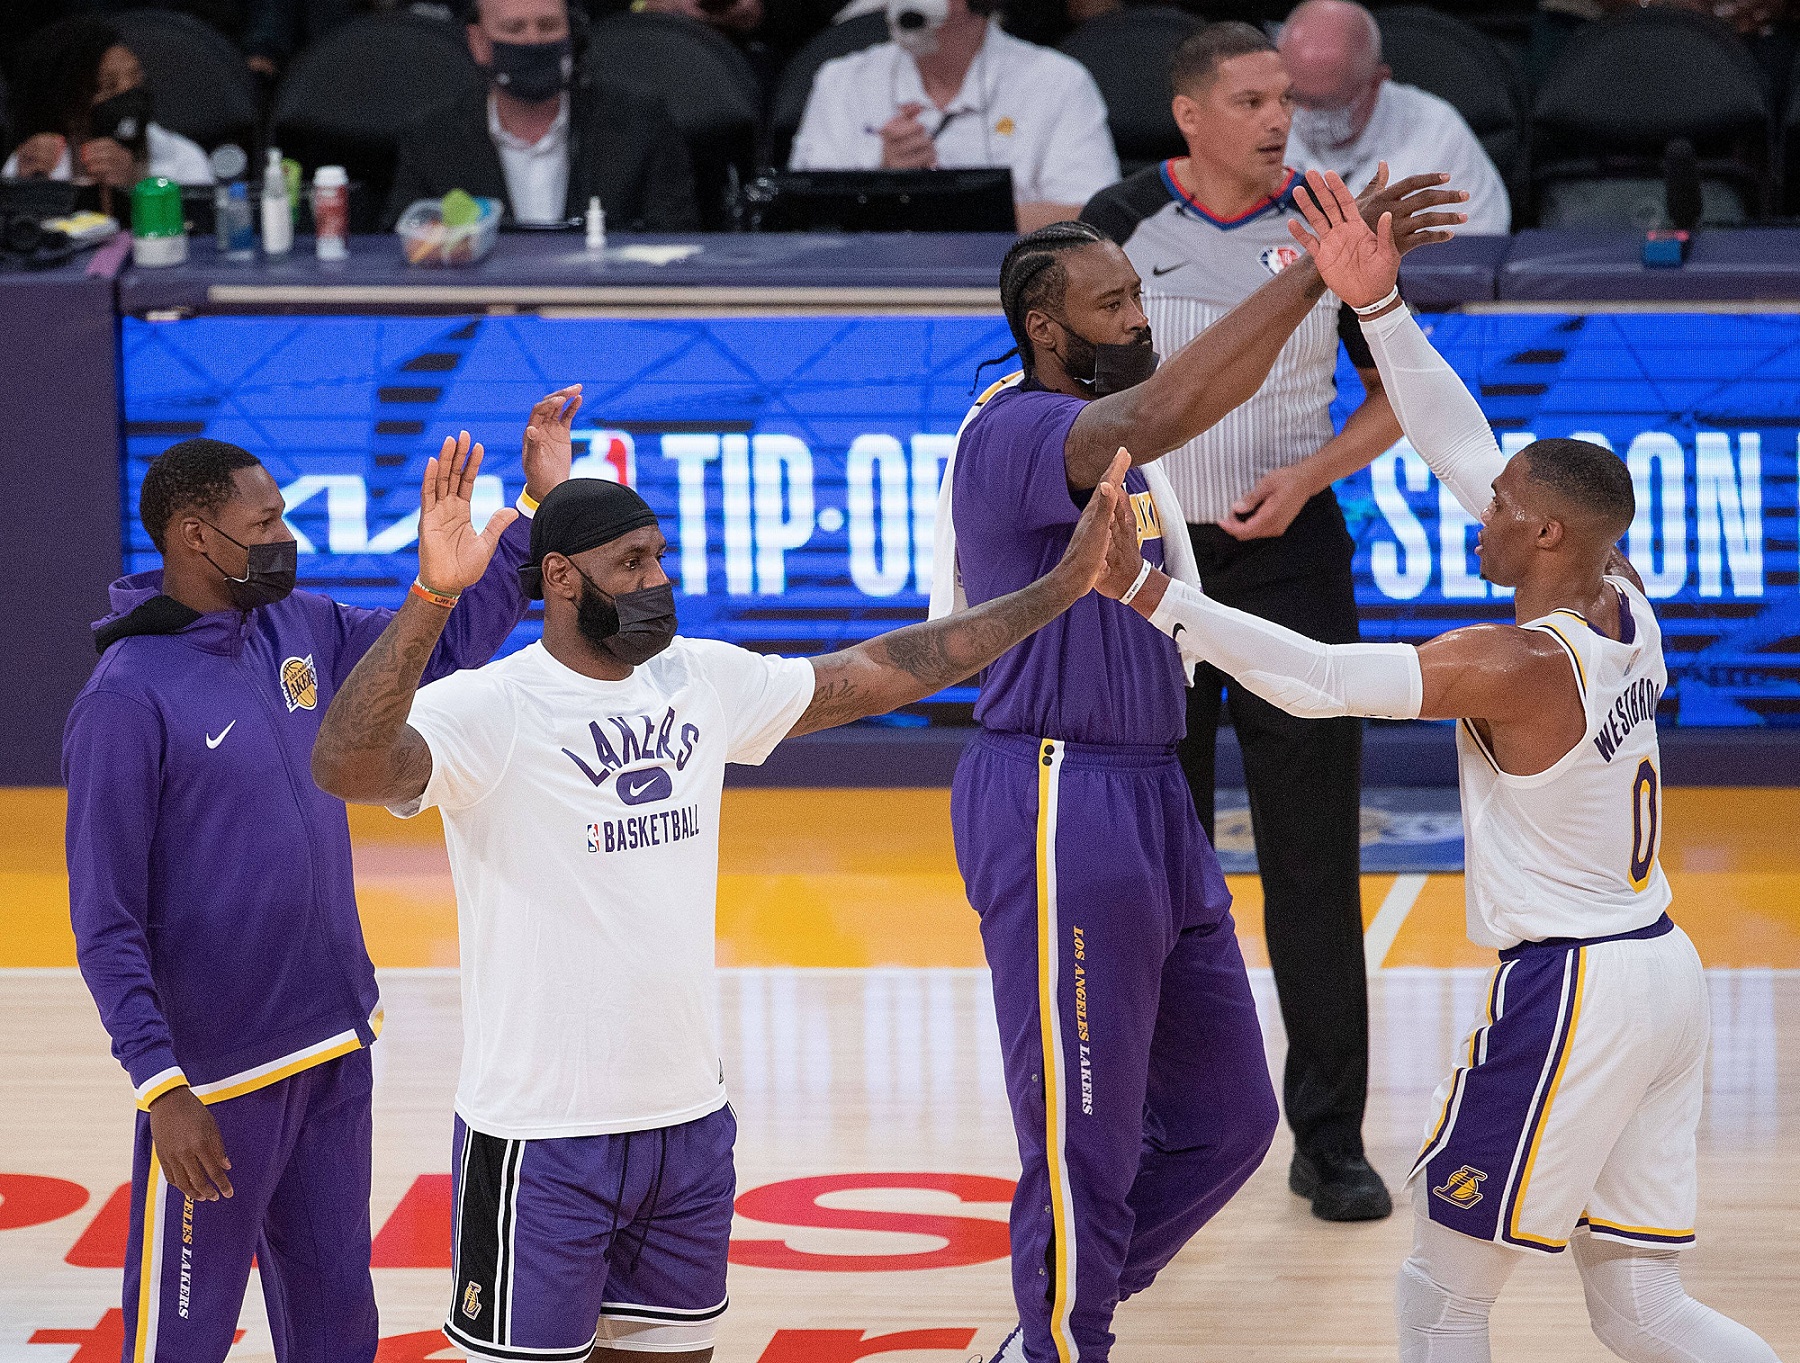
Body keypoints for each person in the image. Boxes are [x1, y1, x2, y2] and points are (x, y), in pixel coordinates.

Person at [1108, 167, 1782, 1363]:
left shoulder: (1508, 664)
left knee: (1440, 1294)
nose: (1478, 510)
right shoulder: (1624, 597)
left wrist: (1153, 594)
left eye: (1501, 506)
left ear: (1545, 532)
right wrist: (1378, 309)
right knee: (1637, 1307)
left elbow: (1311, 679)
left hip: (1576, 988)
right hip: (1664, 970)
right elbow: (1461, 437)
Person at [307, 452, 1139, 1362]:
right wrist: (432, 596)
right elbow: (344, 766)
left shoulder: (698, 681)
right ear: (559, 577)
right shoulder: (490, 708)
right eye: (631, 564)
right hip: (541, 1141)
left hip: (687, 1131)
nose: (657, 581)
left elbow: (881, 668)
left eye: (658, 557)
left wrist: (1060, 588)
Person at [928, 168, 1463, 1363]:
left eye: (1139, 297)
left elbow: (1171, 422)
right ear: (1044, 329)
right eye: (1113, 306)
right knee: (1085, 1128)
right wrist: (1310, 277)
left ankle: (1064, 1315)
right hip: (1056, 789)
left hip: (1149, 788)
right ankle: (1061, 1340)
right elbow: (1166, 407)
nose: (1138, 320)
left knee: (1225, 1120)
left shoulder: (1130, 456)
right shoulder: (1019, 432)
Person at [63, 392, 580, 1362]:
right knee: (180, 1340)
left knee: (340, 1323)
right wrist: (160, 1083)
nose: (285, 538)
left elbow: (442, 652)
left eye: (284, 517)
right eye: (264, 525)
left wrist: (525, 526)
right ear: (193, 536)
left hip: (335, 1043)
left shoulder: (296, 625)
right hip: (215, 1084)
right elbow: (105, 920)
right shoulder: (125, 700)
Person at [1080, 22, 1401, 1223]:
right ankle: (1166, 1123)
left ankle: (1332, 1139)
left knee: (1314, 860)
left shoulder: (1331, 218)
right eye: (1253, 100)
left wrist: (1312, 476)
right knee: (1153, 861)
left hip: (1291, 565)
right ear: (1192, 117)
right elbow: (1058, 396)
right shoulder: (1114, 221)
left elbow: (1402, 393)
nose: (1279, 119)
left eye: (1285, 99)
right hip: (1152, 572)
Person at [788, 0, 1119, 234]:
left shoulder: (1057, 81)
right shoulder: (842, 80)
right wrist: (886, 181)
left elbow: (1089, 215)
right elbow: (803, 216)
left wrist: (936, 209)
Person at [383, 0, 700, 230]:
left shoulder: (641, 125)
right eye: (514, 28)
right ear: (479, 43)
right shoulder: (432, 138)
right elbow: (404, 250)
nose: (533, 41)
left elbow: (677, 248)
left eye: (548, 26)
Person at [1279, 0, 1511, 234]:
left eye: (1325, 104)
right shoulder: (1259, 125)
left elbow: (1473, 254)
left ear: (1377, 81)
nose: (1305, 113)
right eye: (1293, 98)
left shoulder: (1437, 135)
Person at [3, 18, 212, 191]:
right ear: (70, 109)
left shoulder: (182, 157)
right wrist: (28, 191)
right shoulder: (34, 160)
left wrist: (134, 189)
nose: (129, 93)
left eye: (137, 78)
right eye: (109, 86)